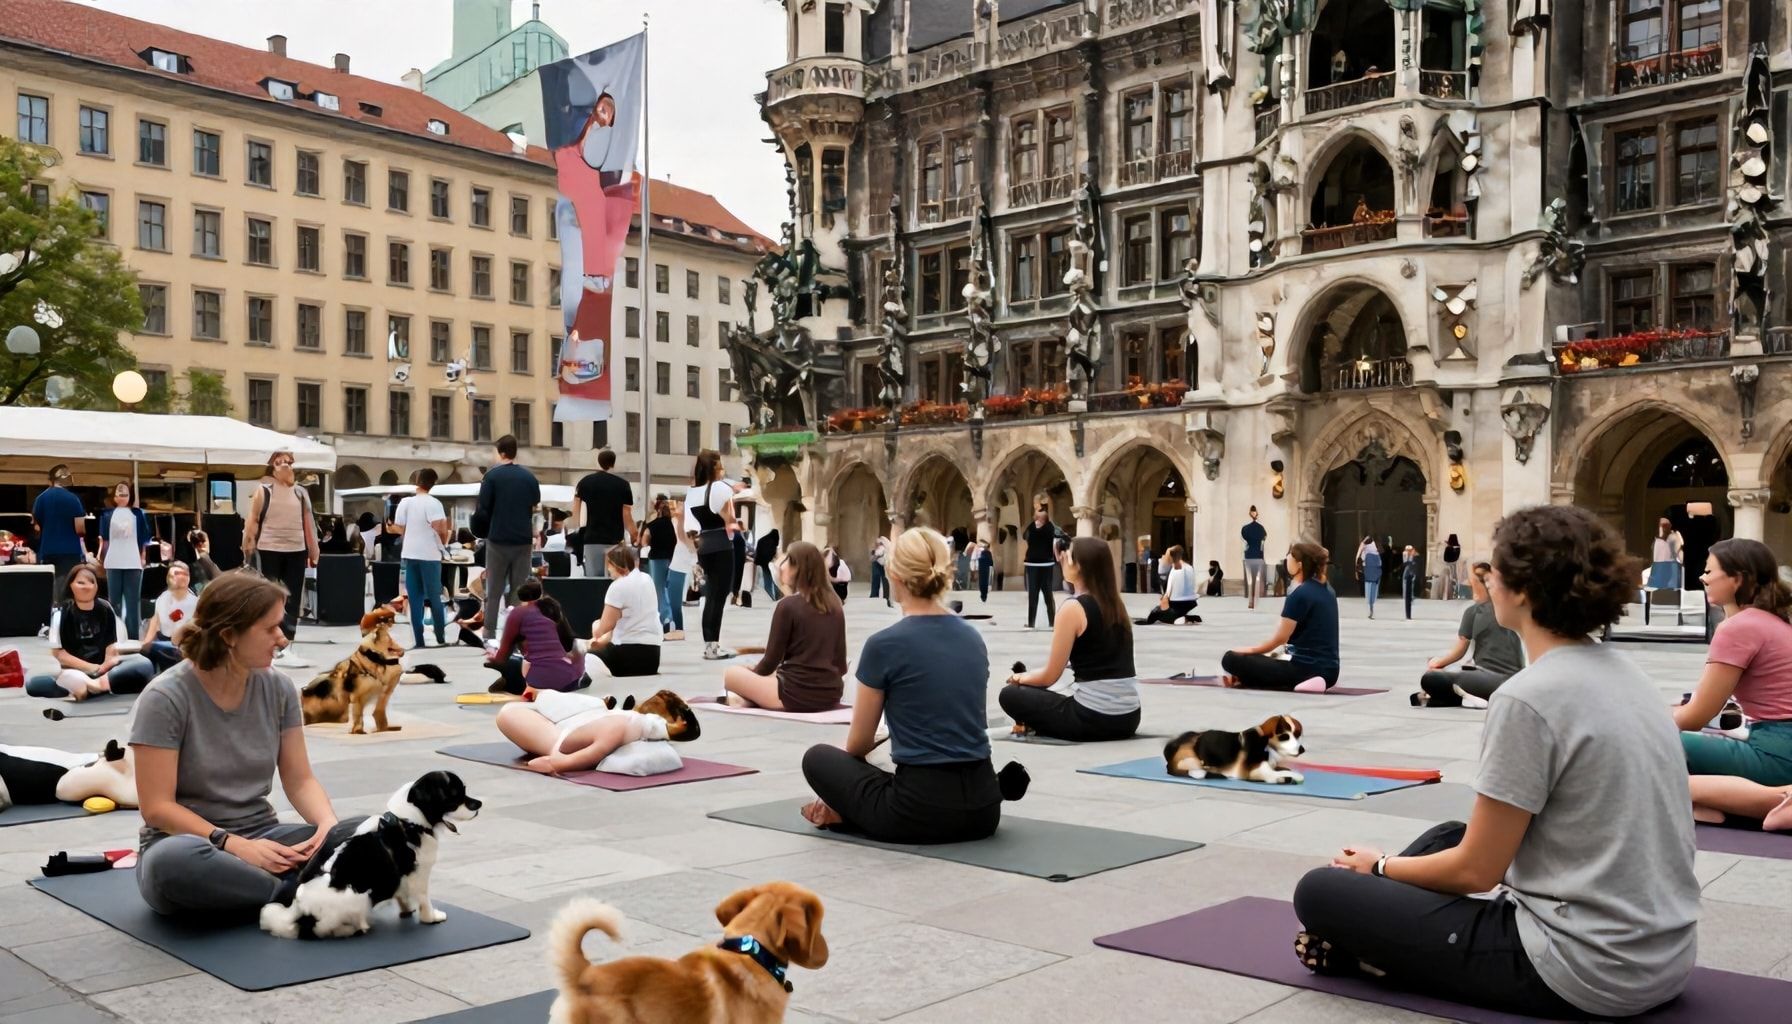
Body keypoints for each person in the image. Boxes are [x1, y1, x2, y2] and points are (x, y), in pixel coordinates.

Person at [1291, 504, 1698, 1021]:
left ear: (1523, 590)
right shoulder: (1629, 674)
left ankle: (1361, 935)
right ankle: (1366, 933)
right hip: (1665, 958)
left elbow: (1477, 871)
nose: (1487, 580)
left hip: (1583, 968)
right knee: (1447, 833)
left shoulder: (1530, 697)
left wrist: (1380, 865)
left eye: (1496, 571)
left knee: (1320, 891)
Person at [131, 571, 363, 919]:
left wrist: (328, 825)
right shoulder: (165, 697)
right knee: (171, 864)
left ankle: (286, 889)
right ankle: (297, 892)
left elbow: (300, 780)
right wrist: (234, 845)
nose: (282, 639)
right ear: (229, 636)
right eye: (270, 628)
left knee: (362, 834)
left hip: (265, 834)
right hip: (194, 844)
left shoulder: (279, 688)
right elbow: (157, 809)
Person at [800, 528, 1024, 843]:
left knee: (818, 758)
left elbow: (858, 745)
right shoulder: (973, 638)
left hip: (919, 812)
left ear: (894, 575)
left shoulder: (883, 645)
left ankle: (846, 813)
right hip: (984, 808)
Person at [1675, 539, 1792, 789]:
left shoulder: (1738, 627)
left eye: (1709, 571)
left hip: (1778, 754)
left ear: (1737, 579)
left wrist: (1645, 721)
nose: (1702, 577)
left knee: (1651, 741)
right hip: (1780, 745)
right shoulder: (1775, 621)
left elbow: (1696, 716)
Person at [1001, 537, 1140, 742]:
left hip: (1093, 718)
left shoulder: (1073, 608)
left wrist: (1020, 678)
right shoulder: (1115, 605)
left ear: (1080, 565)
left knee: (1010, 695)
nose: (1063, 558)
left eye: (1068, 554)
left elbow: (1050, 676)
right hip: (1129, 718)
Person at [723, 542, 848, 712]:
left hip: (794, 694)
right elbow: (841, 665)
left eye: (788, 560)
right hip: (831, 693)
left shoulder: (788, 606)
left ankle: (749, 698)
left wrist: (751, 677)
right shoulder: (835, 605)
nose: (782, 566)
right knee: (764, 675)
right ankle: (751, 697)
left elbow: (770, 662)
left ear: (798, 568)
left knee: (731, 673)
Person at [26, 564, 157, 699]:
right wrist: (92, 668)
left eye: (91, 582)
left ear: (96, 586)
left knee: (143, 663)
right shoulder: (61, 613)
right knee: (34, 683)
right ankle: (95, 686)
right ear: (71, 585)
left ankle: (94, 686)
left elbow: (111, 646)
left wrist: (106, 666)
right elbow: (60, 655)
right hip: (77, 670)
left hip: (106, 671)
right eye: (81, 583)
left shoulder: (105, 608)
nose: (87, 587)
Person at [1220, 543, 1340, 690]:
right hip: (1330, 669)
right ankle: (1313, 681)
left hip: (1303, 668)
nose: (1287, 558)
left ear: (1299, 565)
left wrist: (1248, 651)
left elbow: (1280, 640)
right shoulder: (1328, 589)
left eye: (1290, 555)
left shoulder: (1300, 593)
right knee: (1268, 660)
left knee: (1230, 658)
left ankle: (1305, 680)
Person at [495, 688, 696, 775]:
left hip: (559, 738)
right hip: (577, 723)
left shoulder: (622, 726)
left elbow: (592, 754)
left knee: (507, 713)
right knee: (544, 702)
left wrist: (555, 763)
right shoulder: (626, 721)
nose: (663, 695)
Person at [239, 451, 319, 669]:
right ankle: (270, 645)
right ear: (272, 466)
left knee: (292, 599)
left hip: (296, 550)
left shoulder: (300, 492)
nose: (286, 466)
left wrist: (314, 551)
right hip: (269, 549)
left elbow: (309, 522)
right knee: (270, 598)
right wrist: (248, 546)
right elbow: (253, 520)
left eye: (289, 462)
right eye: (280, 462)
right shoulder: (264, 490)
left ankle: (286, 645)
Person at [1413, 562, 1525, 708]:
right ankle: (1458, 695)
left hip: (1490, 680)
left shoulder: (1473, 611)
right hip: (1516, 681)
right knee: (1459, 671)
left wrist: (1437, 662)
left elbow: (1459, 651)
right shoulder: (1508, 608)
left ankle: (1456, 696)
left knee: (1431, 678)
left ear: (1477, 585)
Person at [475, 435, 541, 640]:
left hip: (498, 539)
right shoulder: (529, 477)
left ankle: (489, 632)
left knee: (494, 590)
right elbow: (535, 502)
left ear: (500, 452)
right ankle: (515, 633)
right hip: (523, 540)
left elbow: (483, 507)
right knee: (518, 590)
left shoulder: (491, 477)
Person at [485, 577, 585, 695]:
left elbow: (501, 657)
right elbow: (569, 644)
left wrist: (491, 657)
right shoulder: (552, 609)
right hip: (569, 679)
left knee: (508, 665)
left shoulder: (518, 613)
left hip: (539, 680)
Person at [388, 468, 451, 650]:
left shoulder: (405, 503)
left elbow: (399, 527)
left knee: (415, 598)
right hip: (430, 555)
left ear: (417, 481)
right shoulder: (434, 503)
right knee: (434, 596)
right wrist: (442, 542)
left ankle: (419, 640)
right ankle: (440, 635)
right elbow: (440, 527)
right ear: (433, 484)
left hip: (410, 553)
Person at [686, 450, 739, 661]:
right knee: (719, 597)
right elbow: (730, 519)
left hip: (704, 545)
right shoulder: (718, 487)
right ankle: (712, 647)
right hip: (721, 545)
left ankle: (709, 644)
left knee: (711, 597)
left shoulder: (693, 491)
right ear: (715, 466)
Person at [585, 546, 662, 677]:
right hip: (652, 657)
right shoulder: (647, 579)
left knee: (586, 659)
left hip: (626, 655)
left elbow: (602, 630)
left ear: (614, 565)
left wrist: (596, 625)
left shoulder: (618, 586)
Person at [98, 480, 156, 640]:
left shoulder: (138, 513)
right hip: (113, 561)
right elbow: (104, 539)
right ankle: (114, 636)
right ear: (114, 496)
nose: (122, 497)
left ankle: (133, 637)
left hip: (133, 561)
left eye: (125, 494)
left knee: (132, 601)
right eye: (119, 494)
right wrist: (102, 557)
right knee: (114, 601)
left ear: (130, 496)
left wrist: (143, 557)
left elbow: (145, 538)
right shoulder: (106, 514)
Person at [31, 464, 88, 613]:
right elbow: (80, 528)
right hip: (70, 551)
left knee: (50, 589)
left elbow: (36, 527)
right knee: (67, 590)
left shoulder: (40, 499)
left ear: (50, 480)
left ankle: (51, 619)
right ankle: (65, 620)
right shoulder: (74, 499)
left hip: (47, 549)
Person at [570, 449, 633, 578]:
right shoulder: (623, 485)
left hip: (592, 538)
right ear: (614, 463)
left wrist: (575, 530)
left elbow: (575, 511)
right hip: (615, 540)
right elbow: (626, 514)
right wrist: (634, 533)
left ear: (598, 462)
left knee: (594, 580)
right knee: (615, 578)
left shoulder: (585, 482)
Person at [142, 561, 198, 673]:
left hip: (185, 645)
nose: (173, 579)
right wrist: (145, 644)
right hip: (165, 641)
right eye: (171, 576)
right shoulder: (163, 598)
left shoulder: (195, 602)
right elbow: (155, 622)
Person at [638, 495, 678, 633]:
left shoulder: (652, 525)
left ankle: (665, 617)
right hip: (672, 559)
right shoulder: (672, 524)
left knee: (658, 590)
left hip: (657, 559)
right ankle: (670, 617)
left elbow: (643, 542)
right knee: (668, 589)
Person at [1021, 505, 1065, 629]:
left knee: (1034, 595)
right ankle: (1051, 622)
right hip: (1044, 564)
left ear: (1039, 518)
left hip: (1034, 564)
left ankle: (1032, 623)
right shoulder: (1051, 527)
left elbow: (1024, 536)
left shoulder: (1033, 527)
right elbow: (1061, 534)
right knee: (1047, 594)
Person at [1137, 545, 1199, 625]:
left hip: (1177, 603)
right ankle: (1180, 617)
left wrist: (1163, 603)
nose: (1163, 557)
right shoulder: (1189, 567)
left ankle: (1179, 619)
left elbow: (1167, 596)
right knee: (1172, 611)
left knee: (1155, 612)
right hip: (1191, 603)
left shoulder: (1174, 571)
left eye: (1166, 555)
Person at [664, 506, 695, 641]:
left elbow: (684, 539)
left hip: (683, 565)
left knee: (674, 602)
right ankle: (677, 628)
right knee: (672, 601)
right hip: (677, 565)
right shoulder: (676, 522)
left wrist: (681, 521)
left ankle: (679, 629)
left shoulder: (688, 523)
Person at [1242, 506, 1269, 609]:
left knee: (1250, 579)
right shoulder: (1261, 528)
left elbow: (1244, 544)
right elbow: (1263, 543)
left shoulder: (1245, 528)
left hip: (1248, 556)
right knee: (1257, 579)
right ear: (1256, 514)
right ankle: (1255, 601)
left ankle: (1250, 602)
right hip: (1258, 555)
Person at [1649, 517, 1684, 590]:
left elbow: (1681, 559)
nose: (1665, 527)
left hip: (1671, 569)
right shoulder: (1656, 541)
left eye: (1668, 525)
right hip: (1659, 569)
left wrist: (1680, 544)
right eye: (1663, 525)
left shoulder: (1674, 538)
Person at [1356, 536, 1383, 620]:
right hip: (1374, 568)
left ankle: (1371, 609)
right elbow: (1380, 561)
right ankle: (1371, 609)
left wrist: (1356, 570)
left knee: (1369, 590)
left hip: (1370, 568)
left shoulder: (1364, 546)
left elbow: (1357, 558)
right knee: (1373, 591)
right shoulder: (1374, 548)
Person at [754, 526, 782, 602]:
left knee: (767, 579)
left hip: (763, 562)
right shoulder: (773, 542)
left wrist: (757, 561)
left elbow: (758, 551)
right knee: (773, 579)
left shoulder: (762, 540)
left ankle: (771, 595)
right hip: (770, 562)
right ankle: (777, 595)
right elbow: (773, 553)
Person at [729, 519, 750, 606]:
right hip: (738, 560)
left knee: (737, 578)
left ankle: (735, 596)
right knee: (737, 578)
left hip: (738, 560)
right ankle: (735, 596)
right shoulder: (736, 535)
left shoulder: (736, 534)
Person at [1437, 533, 1462, 599]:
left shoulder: (1448, 548)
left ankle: (1446, 595)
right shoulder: (1458, 547)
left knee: (1447, 581)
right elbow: (1456, 558)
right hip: (1454, 566)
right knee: (1454, 580)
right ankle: (1454, 594)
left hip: (1448, 566)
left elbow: (1445, 558)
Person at [869, 535, 891, 605]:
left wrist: (874, 556)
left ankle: (885, 597)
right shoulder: (878, 548)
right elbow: (873, 557)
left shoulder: (884, 547)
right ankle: (875, 595)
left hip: (884, 564)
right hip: (879, 564)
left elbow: (876, 555)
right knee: (877, 580)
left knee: (885, 581)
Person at [1401, 545, 1421, 619]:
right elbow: (1405, 563)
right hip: (1408, 572)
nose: (1408, 551)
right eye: (1407, 550)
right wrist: (1406, 557)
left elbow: (1416, 565)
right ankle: (1406, 596)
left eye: (1410, 550)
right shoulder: (1405, 555)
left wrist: (1412, 557)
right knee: (1406, 584)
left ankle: (1411, 596)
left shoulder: (1416, 556)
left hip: (1412, 572)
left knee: (1411, 585)